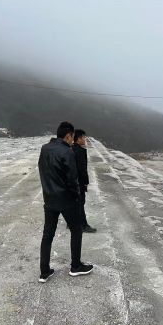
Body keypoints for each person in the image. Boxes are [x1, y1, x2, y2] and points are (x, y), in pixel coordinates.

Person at [38, 121, 94, 283]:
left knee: (48, 235)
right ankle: (75, 266)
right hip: (66, 200)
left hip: (49, 199)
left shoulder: (45, 148)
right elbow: (72, 179)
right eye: (72, 137)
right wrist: (77, 196)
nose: (72, 140)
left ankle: (44, 271)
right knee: (76, 230)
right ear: (68, 136)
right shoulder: (67, 151)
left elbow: (42, 170)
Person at [72, 129, 96, 233]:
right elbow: (82, 169)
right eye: (83, 137)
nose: (85, 139)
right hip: (79, 182)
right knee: (80, 203)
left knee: (73, 203)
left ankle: (72, 222)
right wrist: (86, 182)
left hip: (71, 181)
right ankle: (83, 225)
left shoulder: (70, 149)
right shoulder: (80, 151)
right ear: (78, 138)